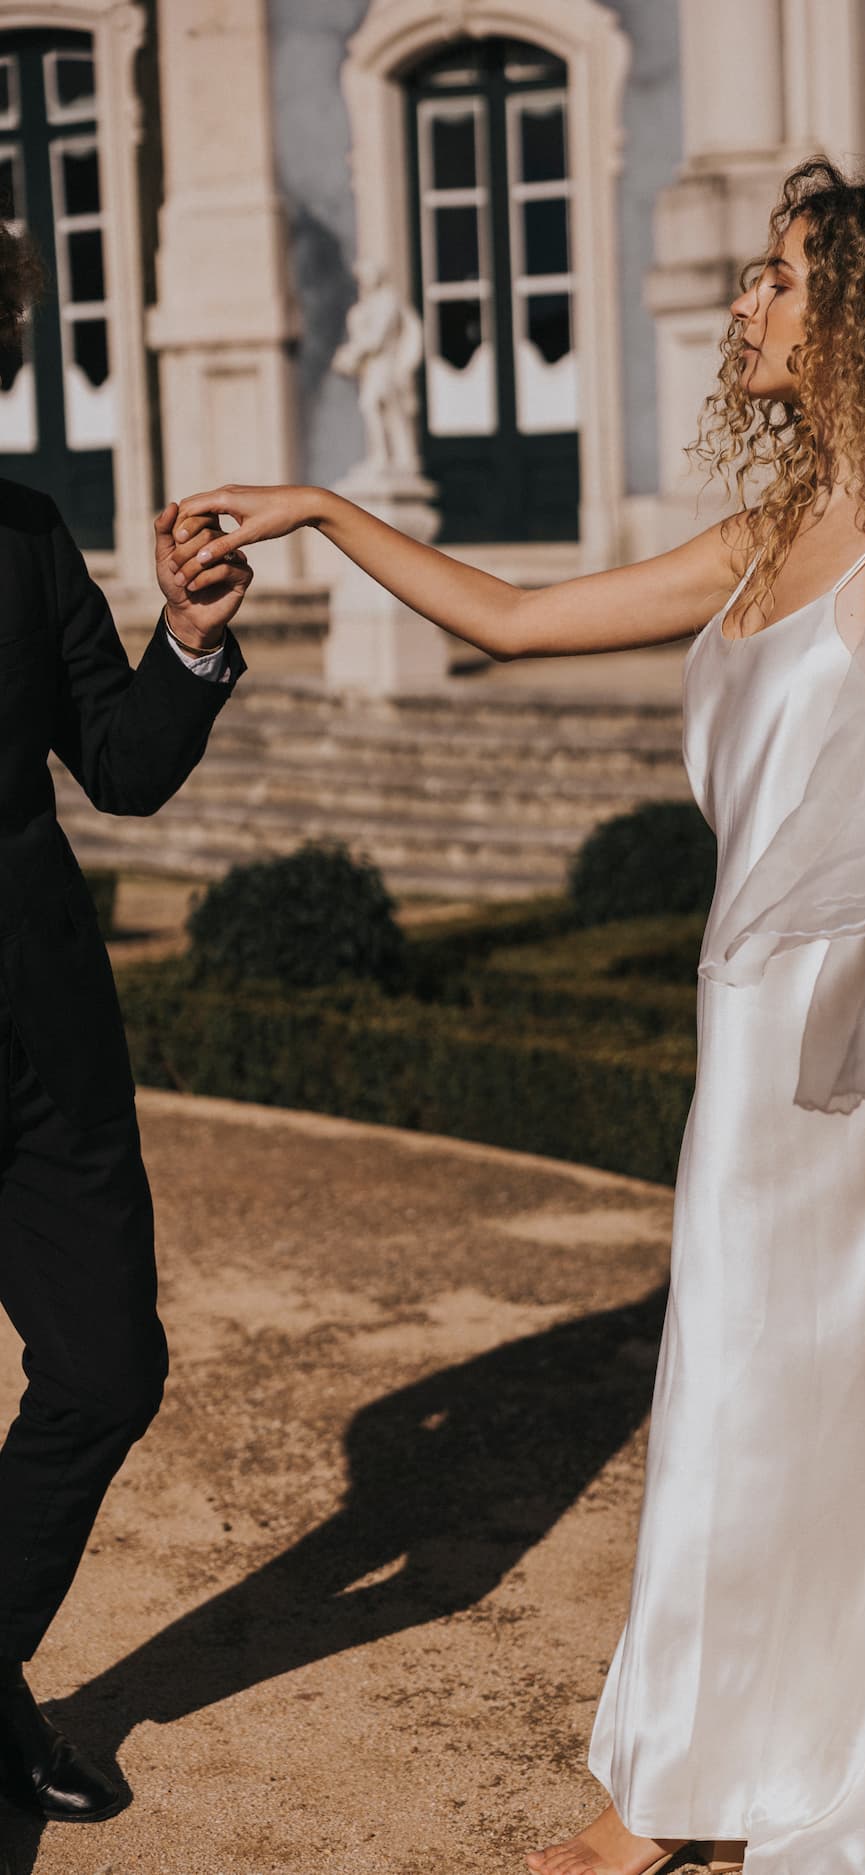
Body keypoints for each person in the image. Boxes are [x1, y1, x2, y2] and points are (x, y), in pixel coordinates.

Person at [172, 159, 865, 1875]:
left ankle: (671, 1796)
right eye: (761, 274)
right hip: (748, 1031)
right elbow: (515, 614)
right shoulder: (769, 535)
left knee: (780, 1407)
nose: (747, 303)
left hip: (858, 1048)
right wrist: (322, 511)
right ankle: (721, 1764)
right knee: (748, 1392)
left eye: (781, 277)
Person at [0, 220, 253, 1824]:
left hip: (44, 1047)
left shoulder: (26, 534)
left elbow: (126, 762)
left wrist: (191, 639)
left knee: (106, 1370)